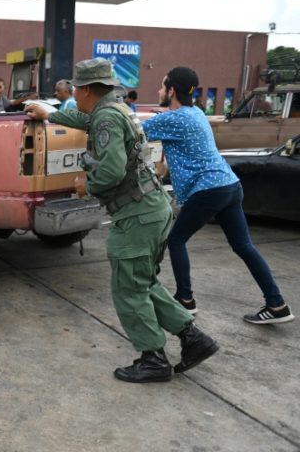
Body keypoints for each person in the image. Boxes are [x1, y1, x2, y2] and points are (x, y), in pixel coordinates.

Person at [25, 58, 219, 383]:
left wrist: (87, 185)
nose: (74, 91)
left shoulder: (106, 119)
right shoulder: (114, 110)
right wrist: (50, 114)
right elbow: (86, 121)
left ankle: (153, 358)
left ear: (84, 89)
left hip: (136, 214)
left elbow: (112, 170)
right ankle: (193, 339)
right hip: (152, 207)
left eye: (75, 87)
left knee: (128, 289)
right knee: (143, 283)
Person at [141, 66, 295, 325]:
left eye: (161, 85)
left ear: (171, 90)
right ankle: (277, 304)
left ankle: (185, 300)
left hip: (208, 189)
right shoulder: (197, 113)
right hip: (230, 186)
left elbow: (133, 130)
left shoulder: (173, 119)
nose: (158, 90)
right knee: (243, 246)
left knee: (176, 240)